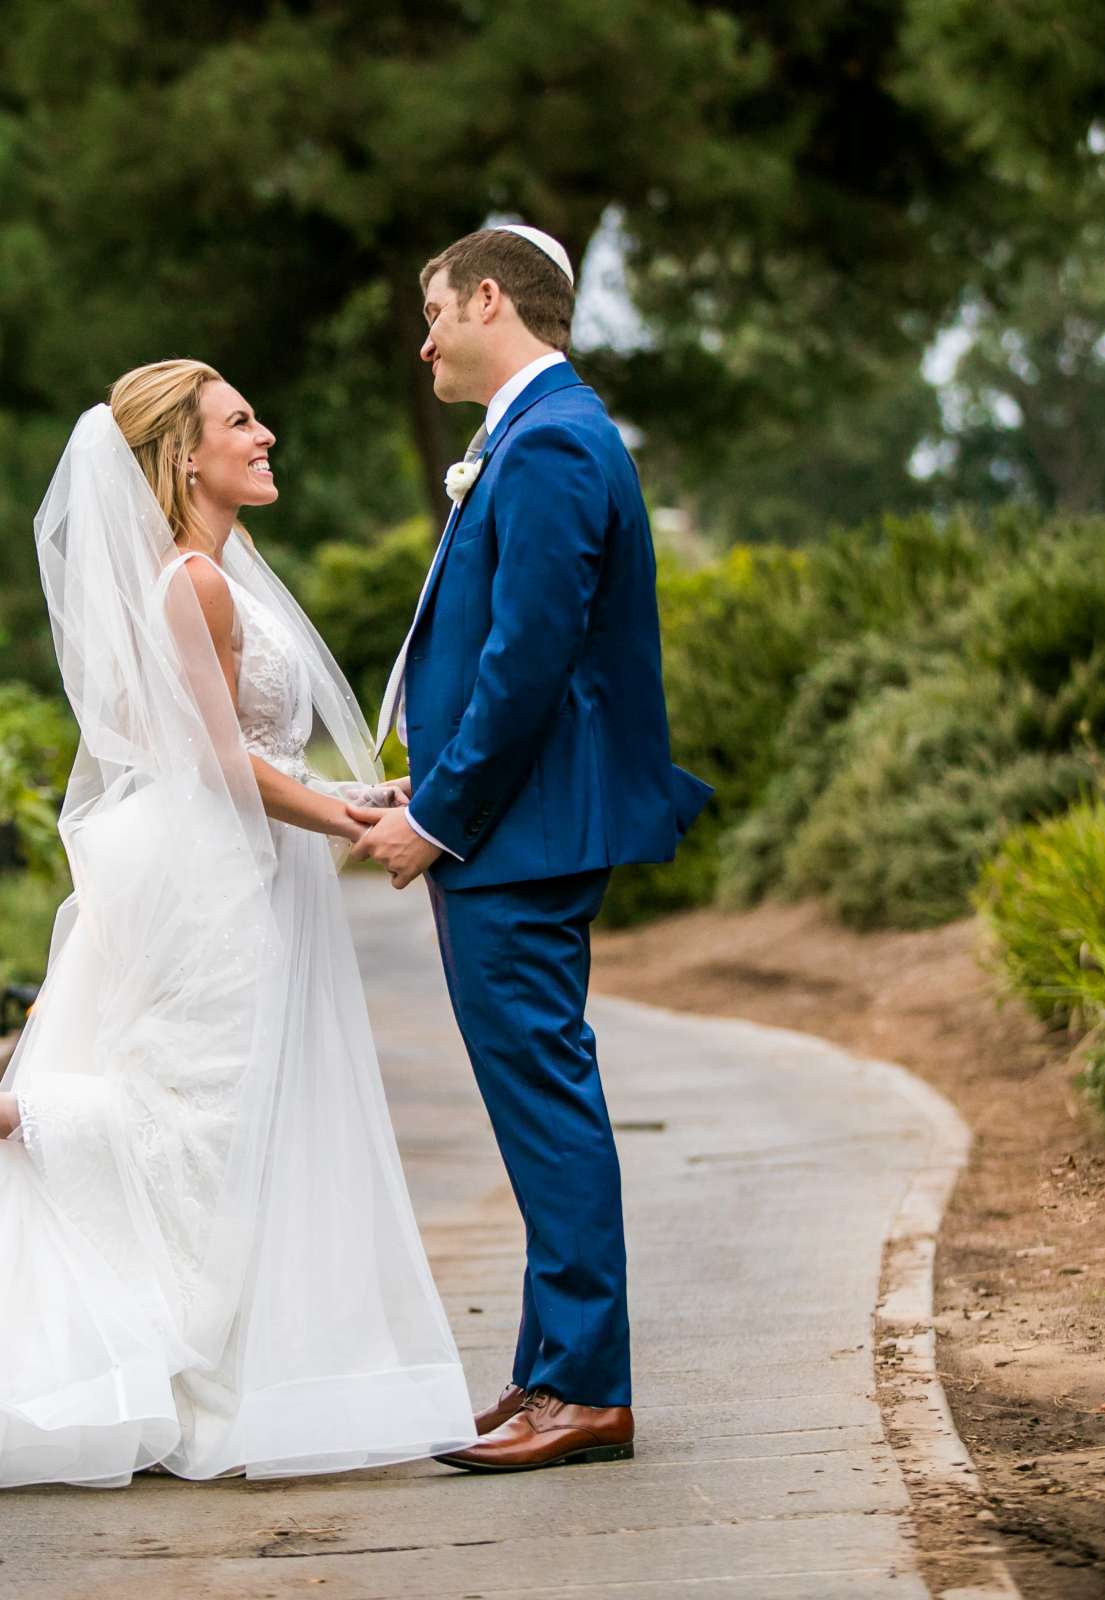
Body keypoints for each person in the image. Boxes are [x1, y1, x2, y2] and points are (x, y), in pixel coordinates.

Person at [0, 359, 476, 1491]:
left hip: (228, 856)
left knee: (222, 1115)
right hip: (206, 871)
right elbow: (221, 763)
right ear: (186, 456)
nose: (266, 433)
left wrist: (363, 800)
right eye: (242, 422)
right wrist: (346, 820)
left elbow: (249, 750)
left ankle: (189, 1356)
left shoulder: (212, 576)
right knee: (195, 1116)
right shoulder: (195, 583)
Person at [351, 224, 712, 1473]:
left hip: (517, 836)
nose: (425, 338)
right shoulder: (537, 433)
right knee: (534, 1100)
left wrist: (439, 815)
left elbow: (528, 660)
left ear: (490, 297)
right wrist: (426, 780)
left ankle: (586, 1390)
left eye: (436, 311)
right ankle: (549, 1369)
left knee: (546, 1101)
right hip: (513, 825)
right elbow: (503, 659)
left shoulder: (552, 440)